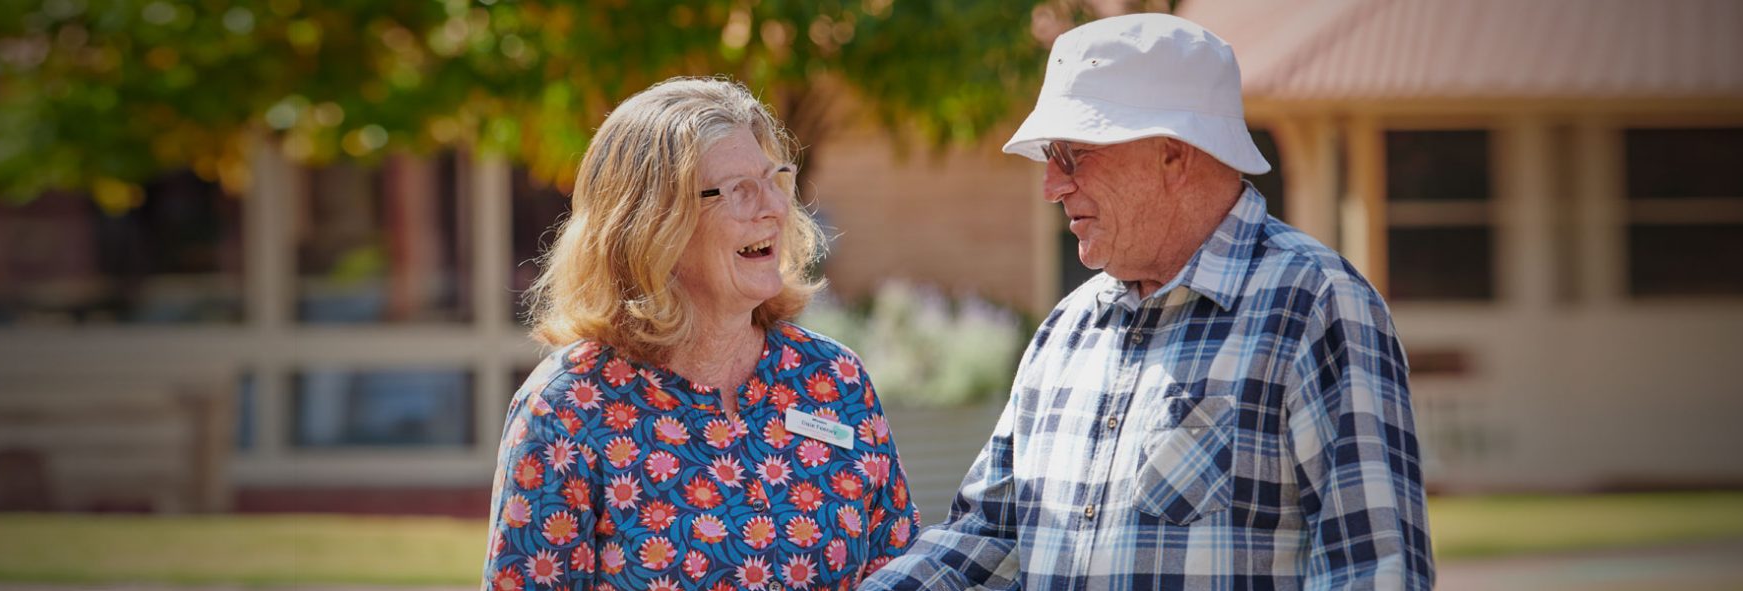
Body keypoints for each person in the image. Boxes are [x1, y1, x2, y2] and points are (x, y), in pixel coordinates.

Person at [860, 14, 1434, 590]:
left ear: (1174, 155)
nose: (1051, 185)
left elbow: (1374, 571)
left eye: (1075, 154)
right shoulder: (1068, 329)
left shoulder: (1316, 305)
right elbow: (988, 538)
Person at [485, 77, 919, 591]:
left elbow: (902, 572)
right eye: (738, 190)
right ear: (652, 225)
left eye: (774, 180)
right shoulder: (567, 409)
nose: (775, 208)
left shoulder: (834, 379)